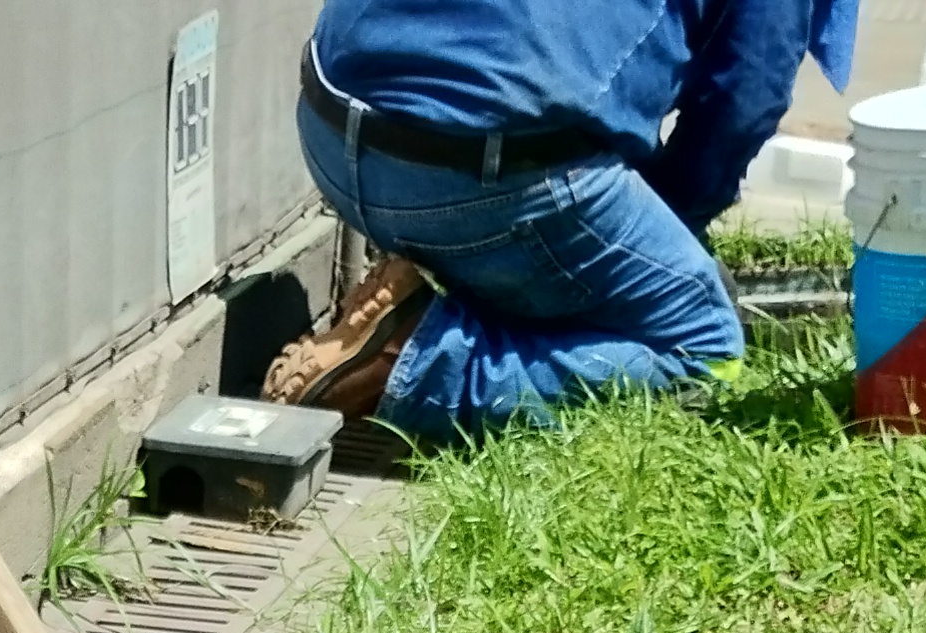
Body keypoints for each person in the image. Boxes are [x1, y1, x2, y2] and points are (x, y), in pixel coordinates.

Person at [269, 0, 862, 440]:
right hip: (481, 181)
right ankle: (406, 360)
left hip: (327, 125)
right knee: (707, 351)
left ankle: (446, 276)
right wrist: (673, 228)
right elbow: (743, 100)